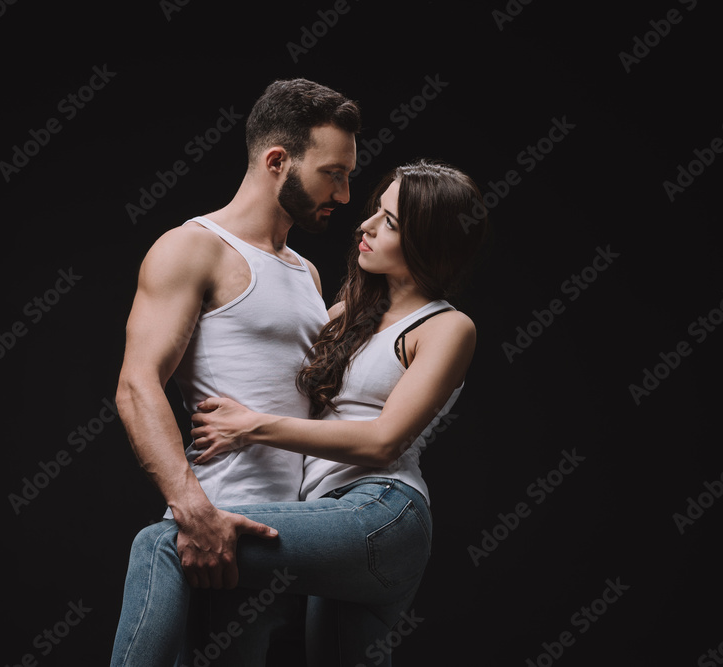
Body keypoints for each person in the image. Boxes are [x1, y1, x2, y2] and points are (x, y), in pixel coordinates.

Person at [110, 159, 488, 666]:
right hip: (325, 514)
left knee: (163, 543)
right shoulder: (346, 315)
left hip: (382, 512)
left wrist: (252, 427)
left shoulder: (447, 327)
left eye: (391, 223)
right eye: (376, 210)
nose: (366, 224)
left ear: (431, 241)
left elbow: (383, 441)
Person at [113, 78, 361, 663]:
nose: (345, 194)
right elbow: (135, 384)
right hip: (221, 542)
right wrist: (191, 511)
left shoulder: (306, 273)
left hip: (294, 546)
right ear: (278, 161)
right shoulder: (193, 247)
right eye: (334, 173)